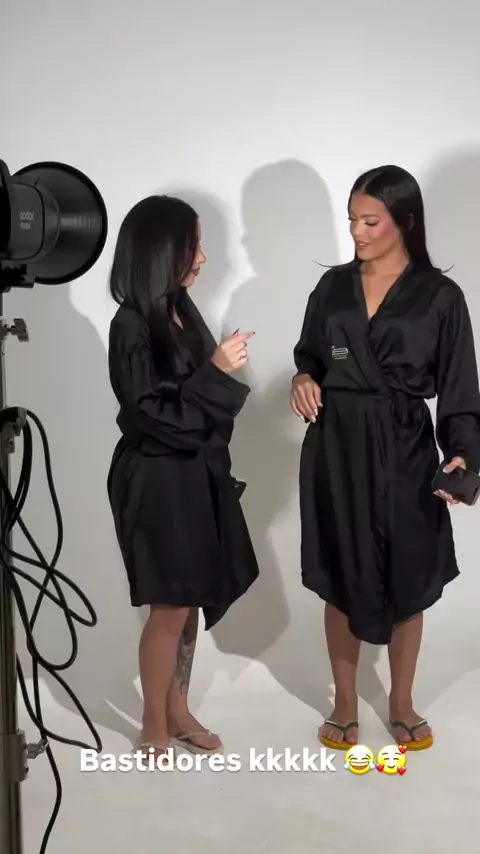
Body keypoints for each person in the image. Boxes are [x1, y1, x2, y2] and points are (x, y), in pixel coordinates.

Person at [291, 164, 480, 752]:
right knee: (339, 570)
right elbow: (309, 354)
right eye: (352, 219)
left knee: (409, 570)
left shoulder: (440, 297)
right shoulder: (332, 287)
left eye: (370, 221)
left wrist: (462, 455)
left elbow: (460, 386)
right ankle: (345, 703)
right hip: (336, 446)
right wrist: (303, 377)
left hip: (403, 447)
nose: (357, 232)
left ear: (405, 222)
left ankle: (401, 702)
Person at [107, 195, 259, 759]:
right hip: (156, 477)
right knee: (169, 603)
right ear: (161, 250)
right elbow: (150, 413)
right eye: (193, 245)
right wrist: (216, 372)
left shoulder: (182, 309)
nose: (202, 257)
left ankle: (177, 709)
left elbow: (200, 405)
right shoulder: (130, 325)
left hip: (195, 471)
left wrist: (213, 376)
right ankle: (154, 723)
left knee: (188, 597)